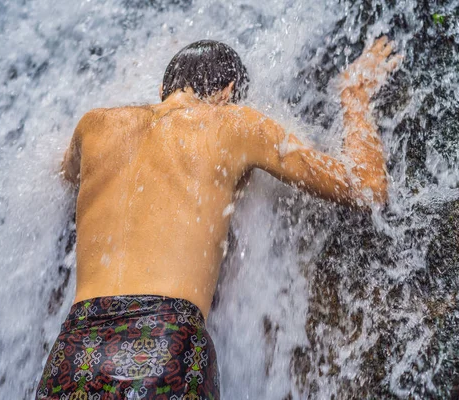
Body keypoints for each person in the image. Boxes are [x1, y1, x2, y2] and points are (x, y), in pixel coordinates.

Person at [36, 37, 401, 400]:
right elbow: (365, 187)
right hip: (166, 347)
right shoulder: (236, 123)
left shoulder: (94, 126)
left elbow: (67, 176)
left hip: (76, 348)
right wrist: (354, 97)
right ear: (228, 92)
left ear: (163, 88)